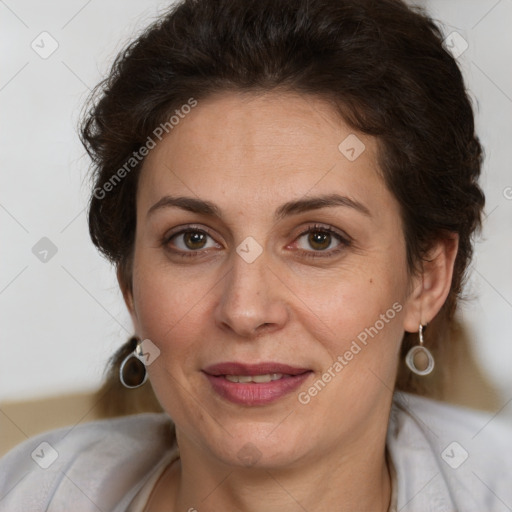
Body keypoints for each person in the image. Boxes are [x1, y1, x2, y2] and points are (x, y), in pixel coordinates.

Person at [1, 0, 511, 510]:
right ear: (130, 285)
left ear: (426, 279)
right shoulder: (30, 489)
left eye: (318, 239)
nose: (244, 310)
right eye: (192, 239)